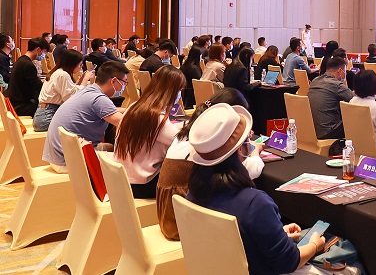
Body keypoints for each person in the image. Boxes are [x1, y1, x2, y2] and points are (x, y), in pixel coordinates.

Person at [186, 103, 328, 274]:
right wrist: (314, 245)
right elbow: (289, 262)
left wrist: (276, 234)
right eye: (247, 140)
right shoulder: (255, 204)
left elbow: (228, 240)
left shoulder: (193, 194)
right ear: (240, 150)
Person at [156, 88, 264, 240]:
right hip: (181, 224)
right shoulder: (207, 147)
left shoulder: (192, 132)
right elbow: (250, 170)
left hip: (171, 212)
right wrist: (253, 150)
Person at [42, 61, 128, 173]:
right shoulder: (99, 99)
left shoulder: (88, 90)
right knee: (122, 163)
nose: (124, 86)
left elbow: (107, 110)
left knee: (110, 147)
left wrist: (129, 110)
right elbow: (124, 123)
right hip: (68, 162)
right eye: (124, 82)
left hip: (57, 156)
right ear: (114, 81)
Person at [114, 66, 183, 198]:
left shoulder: (134, 107)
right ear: (171, 91)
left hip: (124, 179)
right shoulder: (156, 117)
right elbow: (179, 142)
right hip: (142, 186)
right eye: (179, 90)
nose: (180, 94)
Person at [33, 49, 93, 131]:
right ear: (72, 64)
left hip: (43, 115)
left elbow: (70, 91)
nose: (81, 67)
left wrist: (80, 81)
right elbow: (71, 98)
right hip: (47, 117)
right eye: (80, 65)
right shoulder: (62, 74)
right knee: (85, 123)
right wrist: (85, 79)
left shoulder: (59, 72)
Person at [307, 56, 353, 140]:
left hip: (312, 130)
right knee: (358, 121)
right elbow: (355, 100)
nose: (345, 74)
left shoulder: (315, 81)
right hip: (329, 131)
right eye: (345, 71)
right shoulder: (336, 85)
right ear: (340, 70)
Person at [5, 37, 49, 117]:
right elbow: (38, 87)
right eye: (44, 52)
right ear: (38, 49)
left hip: (13, 103)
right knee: (50, 109)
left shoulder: (21, 60)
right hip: (20, 107)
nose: (44, 55)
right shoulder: (28, 65)